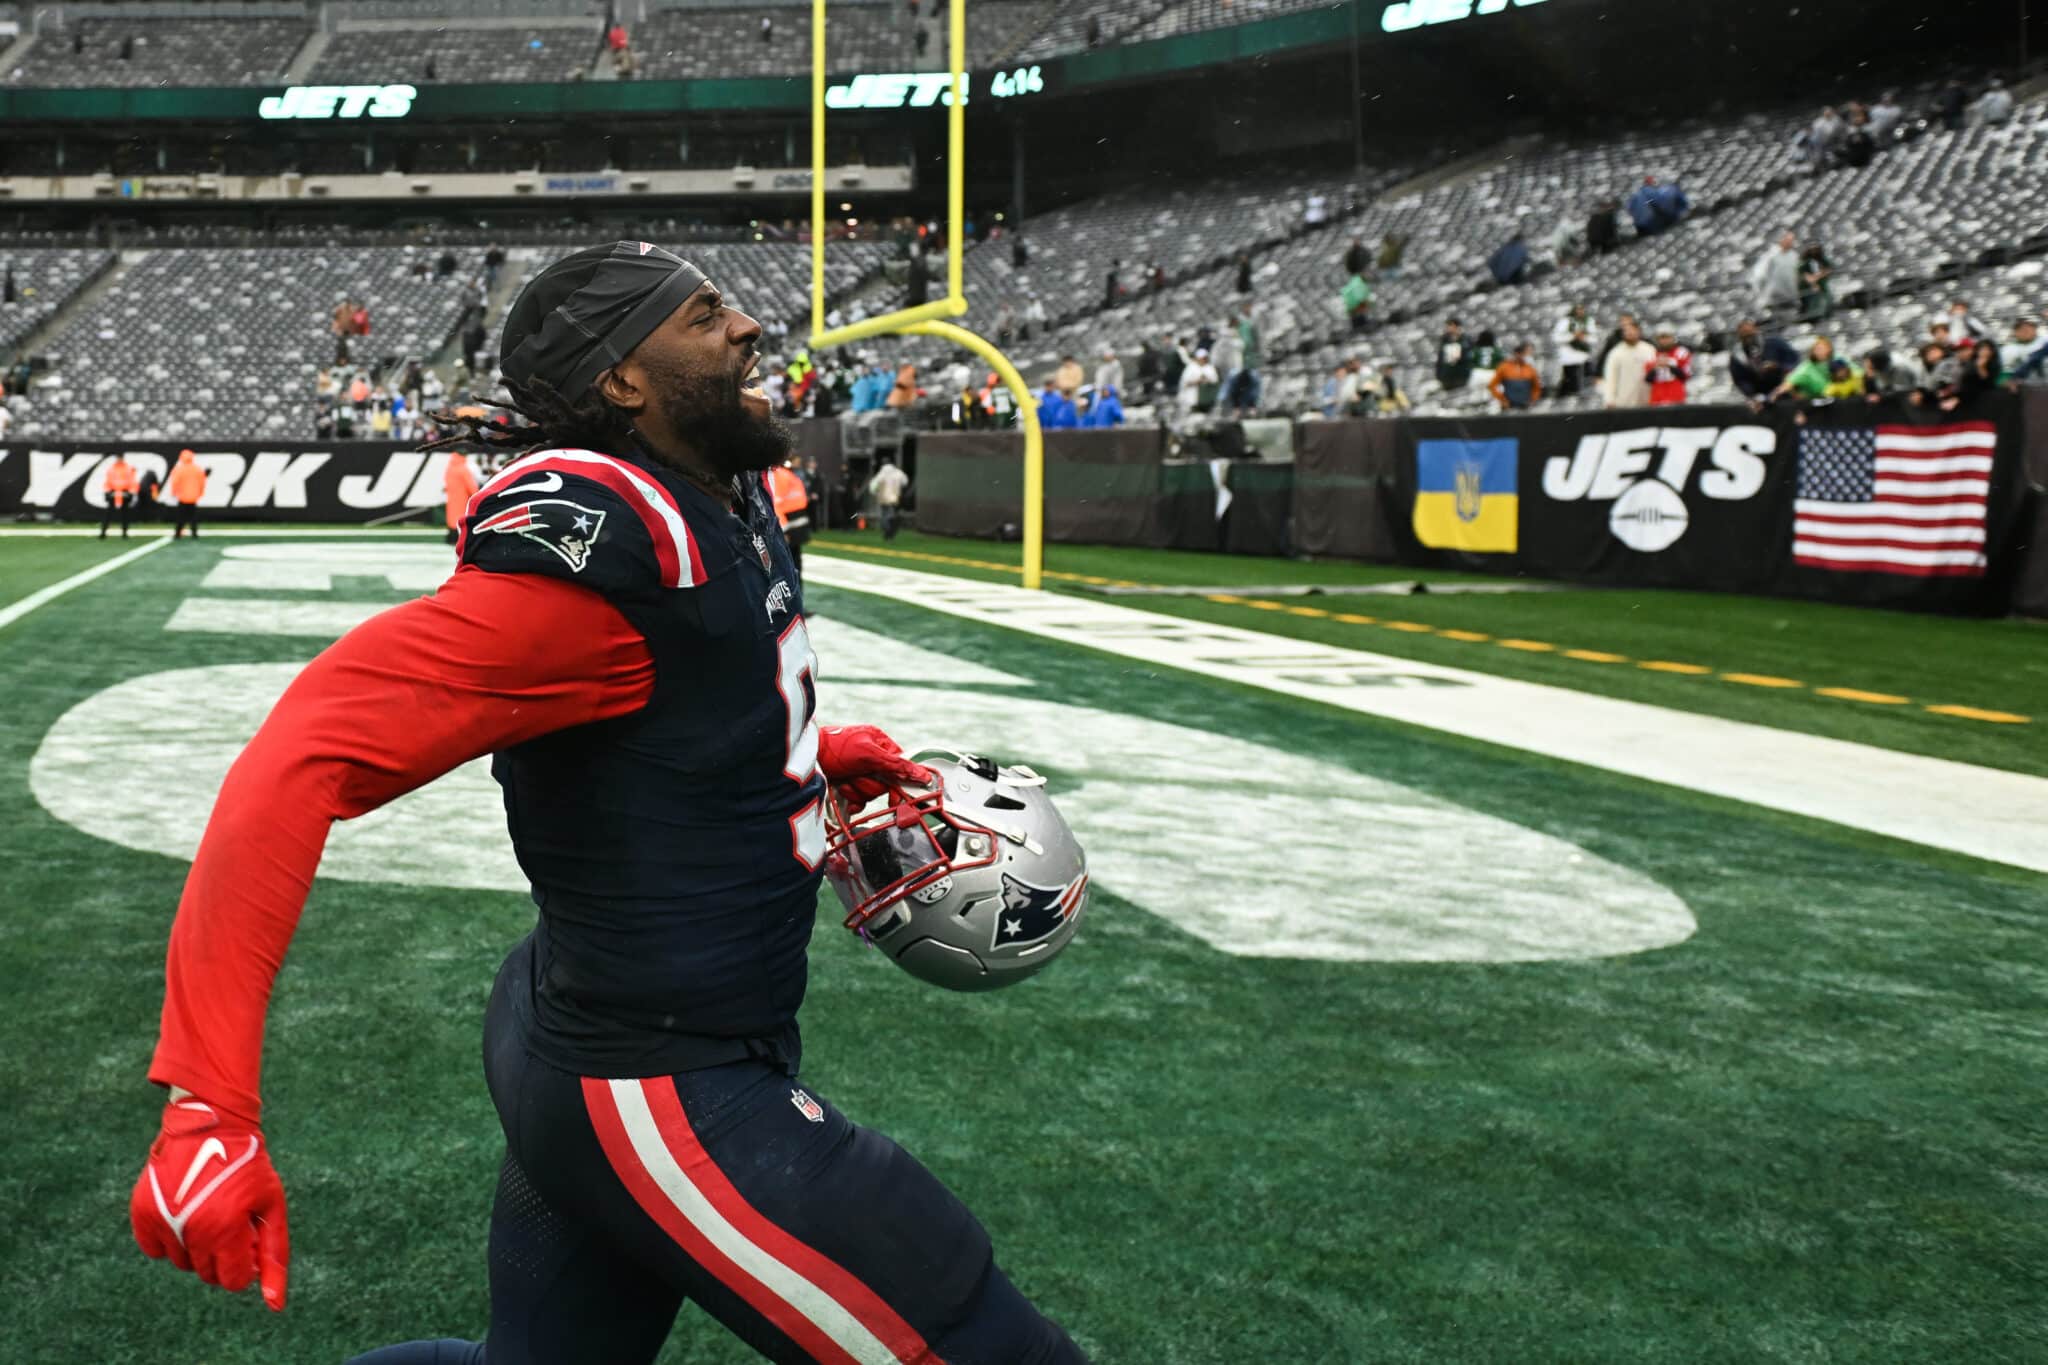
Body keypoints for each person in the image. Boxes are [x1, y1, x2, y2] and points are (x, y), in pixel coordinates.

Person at [129, 240, 1088, 1363]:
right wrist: (207, 1103)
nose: (745, 330)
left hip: (599, 1023)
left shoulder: (717, 489)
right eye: (701, 315)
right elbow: (295, 765)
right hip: (654, 1083)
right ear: (621, 378)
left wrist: (806, 753)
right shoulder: (606, 551)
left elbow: (670, 699)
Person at [764, 459, 810, 572]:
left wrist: (783, 531)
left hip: (788, 523)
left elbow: (777, 504)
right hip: (799, 521)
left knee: (786, 564)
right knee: (796, 562)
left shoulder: (777, 476)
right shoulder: (790, 475)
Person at [1749, 231, 1801, 330]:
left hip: (1788, 299)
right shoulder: (1771, 256)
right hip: (1775, 300)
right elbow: (1758, 277)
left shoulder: (1793, 255)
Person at [1600, 319, 1656, 407]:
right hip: (1623, 402)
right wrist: (1609, 399)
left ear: (1639, 331)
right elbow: (1611, 377)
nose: (1630, 333)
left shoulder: (1649, 350)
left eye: (1633, 330)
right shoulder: (1616, 353)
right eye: (1627, 331)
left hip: (1646, 401)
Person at [1773, 336, 1841, 401]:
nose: (1820, 351)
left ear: (1829, 348)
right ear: (1812, 351)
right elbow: (1788, 384)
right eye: (1817, 348)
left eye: (1823, 348)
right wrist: (1777, 394)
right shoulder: (1806, 367)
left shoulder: (1838, 360)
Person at [1645, 328, 1693, 406]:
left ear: (1673, 338)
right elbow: (1648, 379)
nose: (1664, 341)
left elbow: (1684, 376)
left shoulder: (1681, 352)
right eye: (1661, 338)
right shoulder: (1652, 354)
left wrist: (1669, 365)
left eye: (1667, 338)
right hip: (1657, 398)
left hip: (1676, 397)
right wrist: (1656, 367)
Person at [1488, 343, 1543, 410]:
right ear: (1514, 354)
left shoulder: (1530, 369)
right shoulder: (1504, 367)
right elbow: (1492, 385)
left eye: (1521, 354)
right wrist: (1502, 399)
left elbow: (1537, 387)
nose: (1519, 356)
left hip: (1525, 405)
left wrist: (1533, 399)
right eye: (1517, 353)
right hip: (1509, 405)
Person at [1553, 305, 1592, 398]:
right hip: (1569, 356)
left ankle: (1578, 394)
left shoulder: (1580, 322)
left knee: (1582, 377)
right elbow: (1557, 338)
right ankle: (1563, 396)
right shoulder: (1564, 322)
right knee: (1570, 379)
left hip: (1580, 355)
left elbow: (1588, 338)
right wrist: (1573, 336)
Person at [868, 452, 910, 538]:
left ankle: (888, 531)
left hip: (884, 498)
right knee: (892, 513)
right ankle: (891, 527)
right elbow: (905, 481)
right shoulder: (898, 472)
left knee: (884, 515)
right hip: (895, 497)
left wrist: (875, 493)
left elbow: (873, 486)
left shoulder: (881, 474)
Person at [441, 447, 477, 546]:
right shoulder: (463, 469)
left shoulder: (449, 468)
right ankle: (459, 540)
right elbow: (471, 486)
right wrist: (477, 495)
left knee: (452, 519)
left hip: (451, 498)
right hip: (462, 499)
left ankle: (450, 539)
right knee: (461, 520)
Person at [100, 453, 139, 539]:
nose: (119, 460)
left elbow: (132, 481)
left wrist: (130, 492)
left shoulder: (128, 468)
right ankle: (103, 532)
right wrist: (109, 492)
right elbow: (108, 481)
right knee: (108, 514)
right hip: (113, 493)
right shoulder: (112, 469)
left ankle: (124, 532)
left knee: (125, 514)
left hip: (125, 493)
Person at [1177, 346, 1219, 415]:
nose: (1202, 360)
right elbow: (1185, 382)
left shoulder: (1209, 367)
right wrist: (1197, 381)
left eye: (1204, 358)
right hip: (1192, 398)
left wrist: (1206, 380)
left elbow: (1215, 380)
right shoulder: (1191, 367)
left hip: (1206, 399)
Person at [1798, 242, 1833, 322]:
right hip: (1808, 291)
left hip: (1822, 289)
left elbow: (1828, 270)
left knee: (1825, 306)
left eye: (1816, 249)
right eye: (1812, 249)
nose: (1814, 251)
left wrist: (1817, 276)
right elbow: (1805, 276)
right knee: (1810, 309)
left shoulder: (1823, 260)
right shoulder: (1805, 263)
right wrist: (1813, 282)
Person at [1434, 319, 1471, 391]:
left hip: (1461, 375)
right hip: (1447, 377)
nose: (1449, 329)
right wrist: (1439, 376)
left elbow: (1468, 357)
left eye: (1451, 326)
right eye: (1448, 326)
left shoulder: (1465, 340)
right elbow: (1440, 359)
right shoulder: (1444, 341)